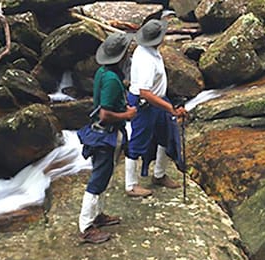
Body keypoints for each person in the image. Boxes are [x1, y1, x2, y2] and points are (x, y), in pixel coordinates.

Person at [76, 33, 137, 244]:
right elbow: (105, 113)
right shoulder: (112, 79)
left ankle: (98, 215)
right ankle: (86, 226)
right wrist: (127, 115)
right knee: (99, 178)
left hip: (102, 133)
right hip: (107, 134)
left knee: (104, 174)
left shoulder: (104, 72)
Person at [124, 19, 187, 198]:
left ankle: (159, 174)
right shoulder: (146, 60)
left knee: (165, 136)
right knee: (138, 142)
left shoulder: (150, 51)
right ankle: (131, 185)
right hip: (145, 104)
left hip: (158, 100)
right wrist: (170, 107)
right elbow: (144, 92)